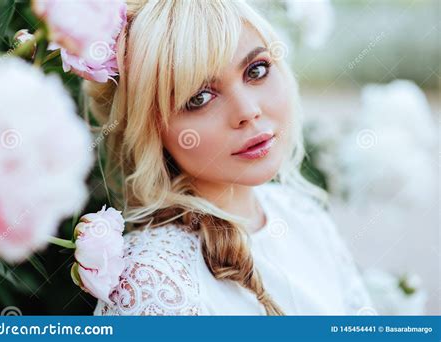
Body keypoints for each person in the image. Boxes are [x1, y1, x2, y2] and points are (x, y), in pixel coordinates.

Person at [85, 0, 374, 315]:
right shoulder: (154, 284)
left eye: (256, 70)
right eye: (199, 97)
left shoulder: (303, 215)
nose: (248, 111)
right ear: (151, 129)